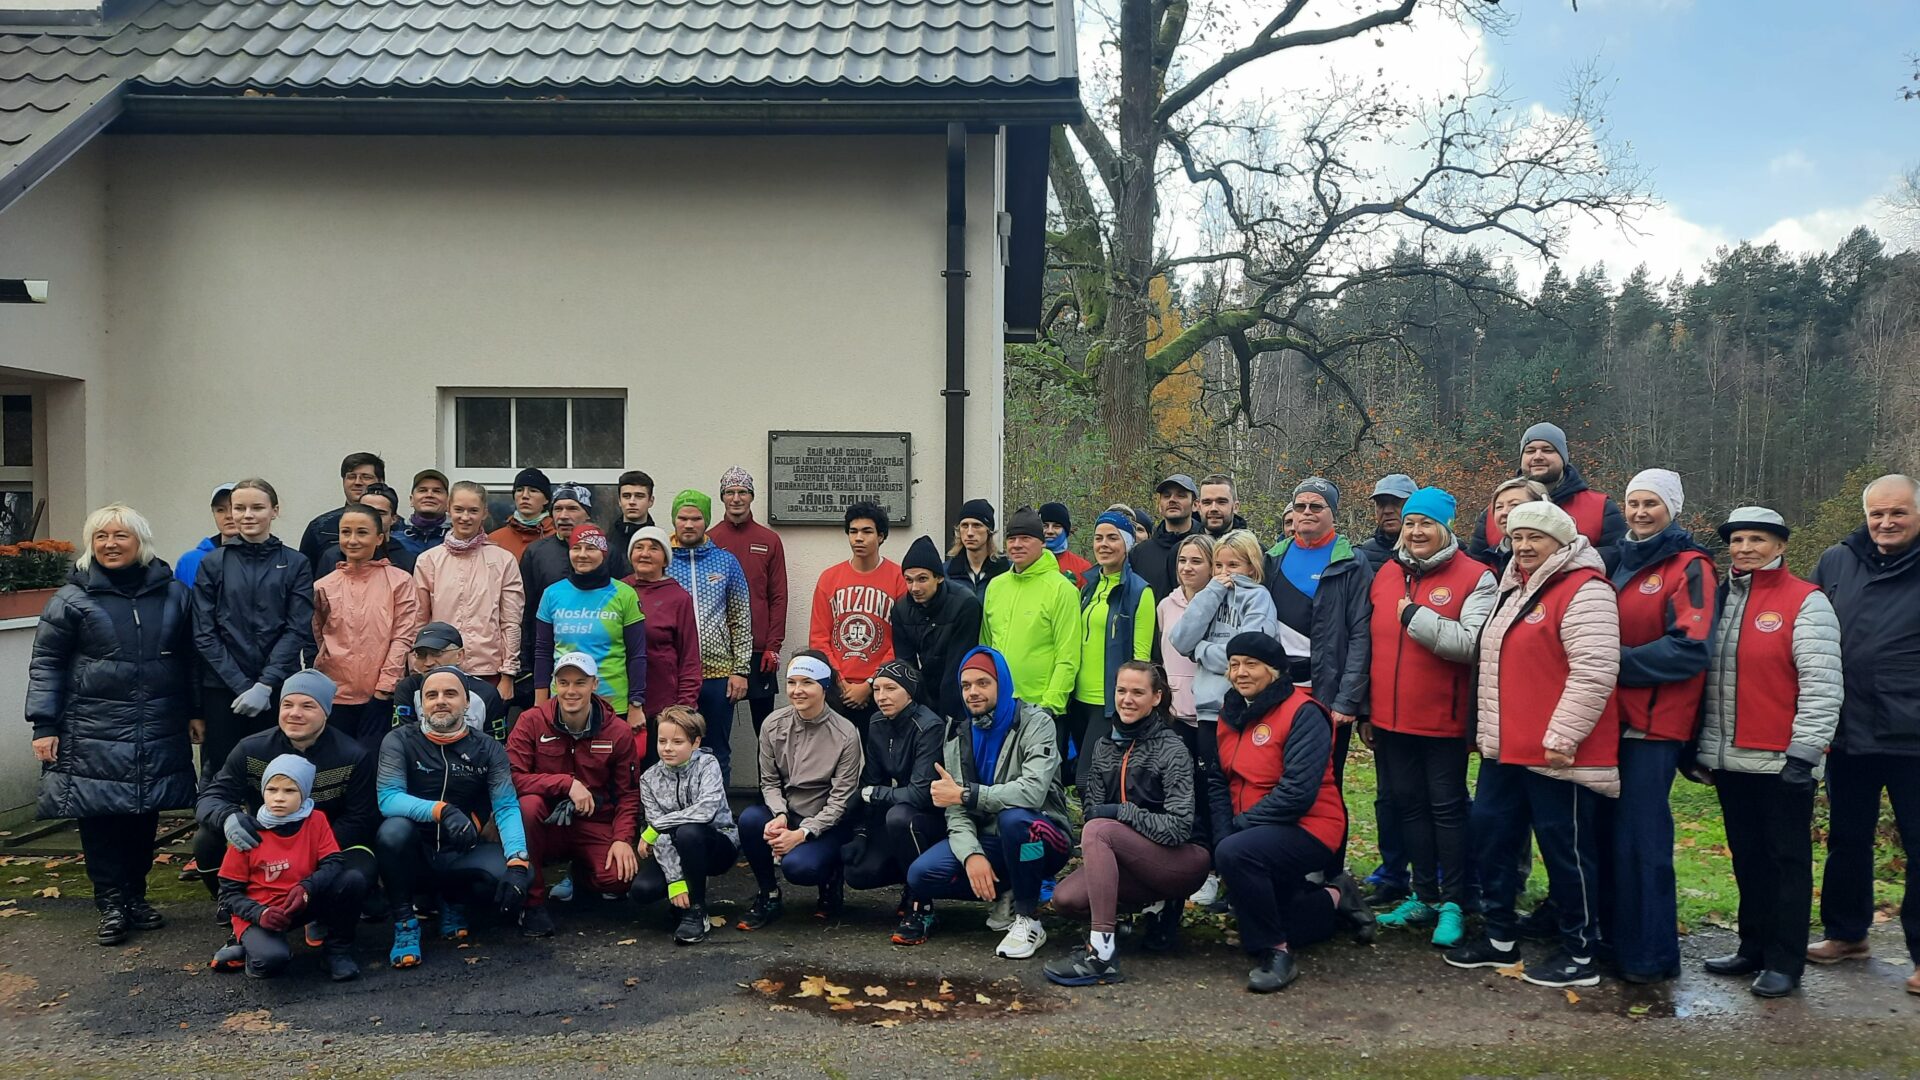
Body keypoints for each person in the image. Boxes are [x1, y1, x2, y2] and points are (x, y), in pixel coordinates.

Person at [1446, 500, 1620, 989]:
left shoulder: (1585, 590)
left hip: (1557, 752)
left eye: (1535, 538)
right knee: (1492, 838)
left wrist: (1564, 735)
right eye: (1517, 537)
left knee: (1566, 851)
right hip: (1505, 749)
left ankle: (1580, 953)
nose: (1523, 546)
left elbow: (1595, 670)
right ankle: (1499, 937)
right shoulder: (1513, 587)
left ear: (1562, 543)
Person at [29, 503, 196, 946]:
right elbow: (47, 664)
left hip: (157, 722)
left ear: (140, 541)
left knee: (145, 812)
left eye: (120, 535)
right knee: (99, 816)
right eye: (101, 536)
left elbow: (191, 658)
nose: (110, 544)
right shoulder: (71, 599)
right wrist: (44, 724)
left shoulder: (174, 594)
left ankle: (136, 897)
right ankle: (110, 903)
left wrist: (195, 711)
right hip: (91, 726)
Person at [1696, 506, 1841, 998]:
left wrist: (1806, 753)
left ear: (1780, 546)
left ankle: (1785, 960)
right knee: (1748, 858)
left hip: (1782, 758)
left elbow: (1822, 685)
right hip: (1729, 757)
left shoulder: (1806, 600)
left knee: (1786, 862)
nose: (1745, 548)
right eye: (1738, 540)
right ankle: (1753, 947)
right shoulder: (1719, 599)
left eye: (1757, 539)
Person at [1364, 487, 1495, 948]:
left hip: (1443, 720)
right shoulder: (1387, 572)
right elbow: (1369, 643)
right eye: (1411, 523)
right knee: (1409, 806)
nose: (1417, 532)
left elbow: (1471, 643)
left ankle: (1454, 902)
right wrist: (1366, 710)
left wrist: (1415, 617)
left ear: (1445, 528)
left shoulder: (1475, 576)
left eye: (1427, 524)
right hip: (1390, 719)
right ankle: (1423, 895)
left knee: (1447, 809)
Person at [1206, 633, 1373, 993]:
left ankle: (1277, 953)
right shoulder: (1230, 712)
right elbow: (1219, 781)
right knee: (1286, 919)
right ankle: (1336, 896)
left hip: (1308, 826)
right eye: (1234, 665)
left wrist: (1237, 830)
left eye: (1251, 664)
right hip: (1251, 832)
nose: (1240, 672)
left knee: (1236, 856)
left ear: (1275, 671)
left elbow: (1297, 793)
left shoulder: (1304, 712)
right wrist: (1223, 833)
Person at [1808, 474, 1920, 996]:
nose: (1886, 522)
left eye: (1898, 513)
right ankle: (1847, 934)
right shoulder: (1837, 560)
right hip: (1848, 727)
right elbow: (1809, 627)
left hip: (1912, 733)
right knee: (1848, 838)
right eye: (1877, 513)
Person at [192, 669, 377, 980]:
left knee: (360, 872)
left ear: (326, 712)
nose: (295, 713)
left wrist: (309, 850)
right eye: (287, 704)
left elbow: (361, 817)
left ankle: (331, 933)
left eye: (307, 706)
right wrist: (227, 817)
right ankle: (239, 917)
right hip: (263, 843)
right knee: (206, 840)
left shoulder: (352, 755)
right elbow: (211, 797)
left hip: (329, 842)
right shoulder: (251, 749)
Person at [1604, 468, 1714, 984]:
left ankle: (1652, 955)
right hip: (1609, 721)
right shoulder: (1616, 561)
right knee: (1611, 836)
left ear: (1672, 509)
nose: (1640, 512)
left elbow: (1690, 647)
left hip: (1655, 725)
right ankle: (1616, 941)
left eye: (1651, 503)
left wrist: (1612, 662)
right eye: (1633, 502)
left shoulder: (1689, 566)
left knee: (1642, 839)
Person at [1046, 662, 1207, 985]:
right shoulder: (1104, 746)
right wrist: (1114, 824)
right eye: (1121, 691)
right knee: (1065, 899)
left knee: (1099, 830)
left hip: (1182, 859)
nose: (1127, 699)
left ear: (1156, 697)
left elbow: (1178, 827)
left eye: (1138, 692)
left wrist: (1123, 814)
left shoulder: (1172, 747)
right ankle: (1149, 909)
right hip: (1128, 857)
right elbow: (1093, 809)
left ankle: (1102, 954)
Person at [906, 647, 1072, 958]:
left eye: (983, 683)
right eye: (966, 685)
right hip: (992, 840)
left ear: (1002, 683)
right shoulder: (957, 734)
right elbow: (956, 810)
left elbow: (1032, 792)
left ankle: (1028, 918)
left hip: (1041, 839)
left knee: (1015, 821)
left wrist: (968, 794)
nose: (973, 692)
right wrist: (972, 855)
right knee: (921, 875)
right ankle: (1008, 890)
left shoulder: (1036, 723)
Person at [376, 667, 533, 968]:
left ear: (466, 702)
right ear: (422, 703)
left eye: (450, 694)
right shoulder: (399, 740)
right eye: (431, 695)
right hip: (415, 851)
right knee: (392, 832)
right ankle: (405, 923)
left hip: (460, 850)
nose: (440, 701)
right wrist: (442, 810)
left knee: (520, 874)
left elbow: (506, 806)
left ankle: (452, 899)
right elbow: (389, 798)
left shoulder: (488, 747)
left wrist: (518, 861)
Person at [507, 652, 643, 936]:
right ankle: (532, 903)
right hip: (546, 822)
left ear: (594, 684)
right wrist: (565, 783)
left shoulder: (617, 731)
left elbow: (628, 794)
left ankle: (583, 875)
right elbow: (512, 778)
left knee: (619, 877)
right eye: (564, 682)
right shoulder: (531, 721)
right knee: (527, 806)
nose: (571, 691)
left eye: (580, 683)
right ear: (555, 684)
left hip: (594, 821)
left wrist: (622, 839)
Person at [191, 478, 316, 782]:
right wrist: (241, 685)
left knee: (275, 773)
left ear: (274, 511)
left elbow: (297, 627)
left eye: (257, 507)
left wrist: (265, 684)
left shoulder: (295, 563)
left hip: (277, 688)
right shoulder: (213, 563)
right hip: (223, 689)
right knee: (224, 773)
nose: (247, 515)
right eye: (239, 508)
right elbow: (204, 632)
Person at [211, 754, 368, 981]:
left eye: (290, 791)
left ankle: (337, 952)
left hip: (301, 901)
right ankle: (246, 948)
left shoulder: (316, 820)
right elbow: (227, 894)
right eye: (272, 789)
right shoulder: (246, 831)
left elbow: (333, 862)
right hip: (262, 912)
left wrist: (307, 887)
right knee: (270, 961)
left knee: (352, 880)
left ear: (304, 793)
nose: (279, 798)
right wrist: (260, 913)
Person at [736, 652, 864, 929]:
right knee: (749, 820)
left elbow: (840, 800)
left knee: (799, 868)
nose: (797, 690)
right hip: (788, 811)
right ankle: (768, 894)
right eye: (792, 682)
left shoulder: (845, 733)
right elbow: (769, 782)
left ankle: (831, 879)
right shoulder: (773, 724)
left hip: (827, 822)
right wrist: (780, 815)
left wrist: (803, 833)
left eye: (807, 682)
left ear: (824, 686)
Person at [1263, 479, 1371, 801]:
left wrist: (1347, 699)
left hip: (1327, 693)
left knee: (1324, 785)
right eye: (1300, 506)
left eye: (1316, 506)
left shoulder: (1352, 562)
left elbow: (1361, 633)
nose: (1307, 512)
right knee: (1274, 778)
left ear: (1332, 513)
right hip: (1279, 690)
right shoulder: (1272, 558)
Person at [842, 660, 946, 944]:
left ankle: (922, 907)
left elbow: (919, 794)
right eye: (877, 690)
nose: (881, 697)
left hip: (932, 817)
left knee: (899, 816)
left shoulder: (929, 726)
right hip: (899, 810)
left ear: (909, 693)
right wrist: (861, 833)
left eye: (891, 689)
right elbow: (871, 779)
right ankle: (909, 882)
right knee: (858, 873)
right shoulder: (877, 722)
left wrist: (872, 794)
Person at [312, 503, 420, 750]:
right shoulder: (323, 585)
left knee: (373, 760)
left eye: (362, 532)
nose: (352, 540)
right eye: (345, 532)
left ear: (379, 538)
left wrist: (385, 687)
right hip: (334, 695)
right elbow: (319, 637)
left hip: (380, 696)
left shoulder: (399, 581)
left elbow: (403, 636)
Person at [630, 706, 739, 944]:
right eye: (662, 741)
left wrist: (657, 826)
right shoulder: (648, 779)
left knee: (688, 832)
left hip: (717, 844)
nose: (668, 748)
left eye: (677, 742)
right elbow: (659, 834)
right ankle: (686, 889)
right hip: (674, 848)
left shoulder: (707, 764)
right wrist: (675, 880)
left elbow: (706, 810)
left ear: (695, 742)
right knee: (642, 890)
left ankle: (696, 911)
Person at [666, 490, 753, 783]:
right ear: (674, 520)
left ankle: (718, 810)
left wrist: (740, 670)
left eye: (696, 518)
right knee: (674, 749)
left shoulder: (726, 562)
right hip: (675, 675)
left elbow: (740, 617)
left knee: (716, 750)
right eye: (683, 518)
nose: (689, 524)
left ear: (707, 521)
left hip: (718, 675)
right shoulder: (662, 560)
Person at [413, 481, 525, 706]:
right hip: (438, 669)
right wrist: (417, 667)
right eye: (459, 510)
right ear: (448, 509)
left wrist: (508, 674)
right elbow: (419, 620)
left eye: (473, 511)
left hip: (489, 671)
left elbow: (511, 621)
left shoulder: (503, 560)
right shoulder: (429, 560)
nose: (465, 517)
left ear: (484, 512)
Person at [1069, 509, 1156, 787]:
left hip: (1108, 703)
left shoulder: (1140, 592)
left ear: (1127, 544)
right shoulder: (1088, 586)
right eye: (1098, 538)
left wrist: (1131, 702)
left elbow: (1141, 658)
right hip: (1077, 699)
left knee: (1086, 780)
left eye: (1112, 538)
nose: (1103, 545)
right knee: (1081, 777)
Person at [1469, 422, 1626, 571]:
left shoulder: (1600, 507)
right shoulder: (1494, 513)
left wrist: (1563, 559)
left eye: (1547, 450)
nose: (1538, 456)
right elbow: (1476, 568)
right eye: (1530, 451)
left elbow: (1618, 559)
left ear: (1563, 457)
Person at [809, 501, 907, 731]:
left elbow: (901, 640)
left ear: (881, 536)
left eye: (867, 531)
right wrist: (840, 682)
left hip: (882, 688)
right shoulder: (829, 579)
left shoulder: (899, 579)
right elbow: (819, 638)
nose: (858, 538)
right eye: (853, 532)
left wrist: (871, 683)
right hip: (837, 689)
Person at [532, 524, 646, 722]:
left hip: (612, 703)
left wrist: (636, 704)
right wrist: (540, 704)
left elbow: (637, 654)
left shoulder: (625, 594)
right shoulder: (552, 594)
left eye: (591, 548)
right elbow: (543, 651)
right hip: (564, 701)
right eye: (576, 548)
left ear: (603, 553)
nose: (582, 554)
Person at [980, 506, 1082, 721]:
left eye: (1025, 538)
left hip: (1040, 710)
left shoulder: (1062, 589)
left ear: (1042, 542)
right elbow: (987, 646)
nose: (1017, 545)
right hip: (999, 706)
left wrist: (1050, 706)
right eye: (1011, 539)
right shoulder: (995, 587)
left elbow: (1068, 656)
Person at [516, 482, 613, 708]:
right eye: (558, 509)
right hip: (549, 663)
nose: (563, 516)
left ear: (587, 514)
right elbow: (525, 611)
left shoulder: (609, 551)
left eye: (572, 508)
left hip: (603, 666)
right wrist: (526, 665)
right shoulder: (536, 552)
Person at [709, 467, 789, 734]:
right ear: (722, 496)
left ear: (752, 496)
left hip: (759, 650)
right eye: (730, 492)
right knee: (716, 728)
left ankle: (767, 767)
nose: (736, 498)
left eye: (742, 492)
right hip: (719, 650)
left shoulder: (769, 540)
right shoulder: (710, 539)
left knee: (766, 730)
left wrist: (773, 646)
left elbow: (778, 596)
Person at [622, 526, 702, 743]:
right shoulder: (617, 591)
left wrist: (684, 708)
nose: (645, 554)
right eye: (639, 547)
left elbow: (690, 657)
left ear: (666, 559)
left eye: (654, 548)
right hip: (618, 702)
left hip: (662, 707)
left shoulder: (678, 598)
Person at [891, 535, 982, 721]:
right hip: (925, 689)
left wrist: (943, 720)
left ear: (939, 577)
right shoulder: (901, 610)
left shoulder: (965, 605)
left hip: (961, 691)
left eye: (922, 579)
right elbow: (906, 667)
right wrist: (921, 712)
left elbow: (957, 665)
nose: (914, 588)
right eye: (909, 580)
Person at [389, 622, 509, 739]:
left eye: (437, 653)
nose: (428, 662)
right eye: (421, 654)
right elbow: (402, 738)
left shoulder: (486, 693)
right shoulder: (408, 688)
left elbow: (496, 744)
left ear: (459, 655)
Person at [298, 452, 385, 569]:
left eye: (366, 477)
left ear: (381, 482)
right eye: (351, 477)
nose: (358, 482)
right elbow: (306, 572)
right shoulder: (320, 527)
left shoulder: (398, 527)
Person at [313, 483, 415, 576]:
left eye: (380, 513)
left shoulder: (405, 558)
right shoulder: (332, 556)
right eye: (365, 511)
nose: (372, 517)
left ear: (394, 519)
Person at [1129, 474, 1200, 601]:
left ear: (1195, 505)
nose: (1172, 500)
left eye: (1181, 495)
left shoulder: (1208, 549)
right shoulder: (1139, 554)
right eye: (1166, 496)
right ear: (1159, 506)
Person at [1480, 478, 1550, 578]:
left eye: (1514, 505)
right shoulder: (1489, 558)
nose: (1504, 512)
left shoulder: (1559, 558)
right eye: (1499, 507)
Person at [175, 483, 237, 585]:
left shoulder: (260, 557)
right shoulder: (189, 561)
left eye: (235, 508)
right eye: (220, 510)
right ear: (213, 513)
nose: (228, 516)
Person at [946, 499, 1011, 596]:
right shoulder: (946, 573)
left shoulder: (1007, 570)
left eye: (977, 525)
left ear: (989, 531)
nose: (970, 533)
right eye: (964, 525)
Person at [487, 467, 554, 560]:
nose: (525, 496)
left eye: (533, 490)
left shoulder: (559, 537)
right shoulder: (494, 540)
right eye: (519, 490)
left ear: (546, 499)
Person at [1357, 473, 1417, 567]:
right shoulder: (1362, 556)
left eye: (1396, 502)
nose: (1387, 511)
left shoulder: (1431, 553)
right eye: (1381, 504)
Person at [394, 469, 452, 559]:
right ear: (411, 500)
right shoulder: (395, 537)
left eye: (437, 491)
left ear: (448, 501)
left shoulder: (457, 538)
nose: (429, 495)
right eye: (423, 490)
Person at [1040, 502, 1094, 589]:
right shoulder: (1026, 563)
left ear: (1066, 531)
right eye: (1045, 526)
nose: (1050, 531)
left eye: (1056, 526)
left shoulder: (1083, 568)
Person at [611, 469, 658, 555]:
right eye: (626, 496)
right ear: (619, 501)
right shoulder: (605, 541)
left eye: (639, 496)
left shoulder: (658, 541)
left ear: (651, 501)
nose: (632, 502)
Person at [1196, 474, 1249, 538]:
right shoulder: (1187, 543)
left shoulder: (1250, 544)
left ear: (1235, 507)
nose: (1213, 508)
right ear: (1198, 507)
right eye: (1207, 502)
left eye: (1221, 502)